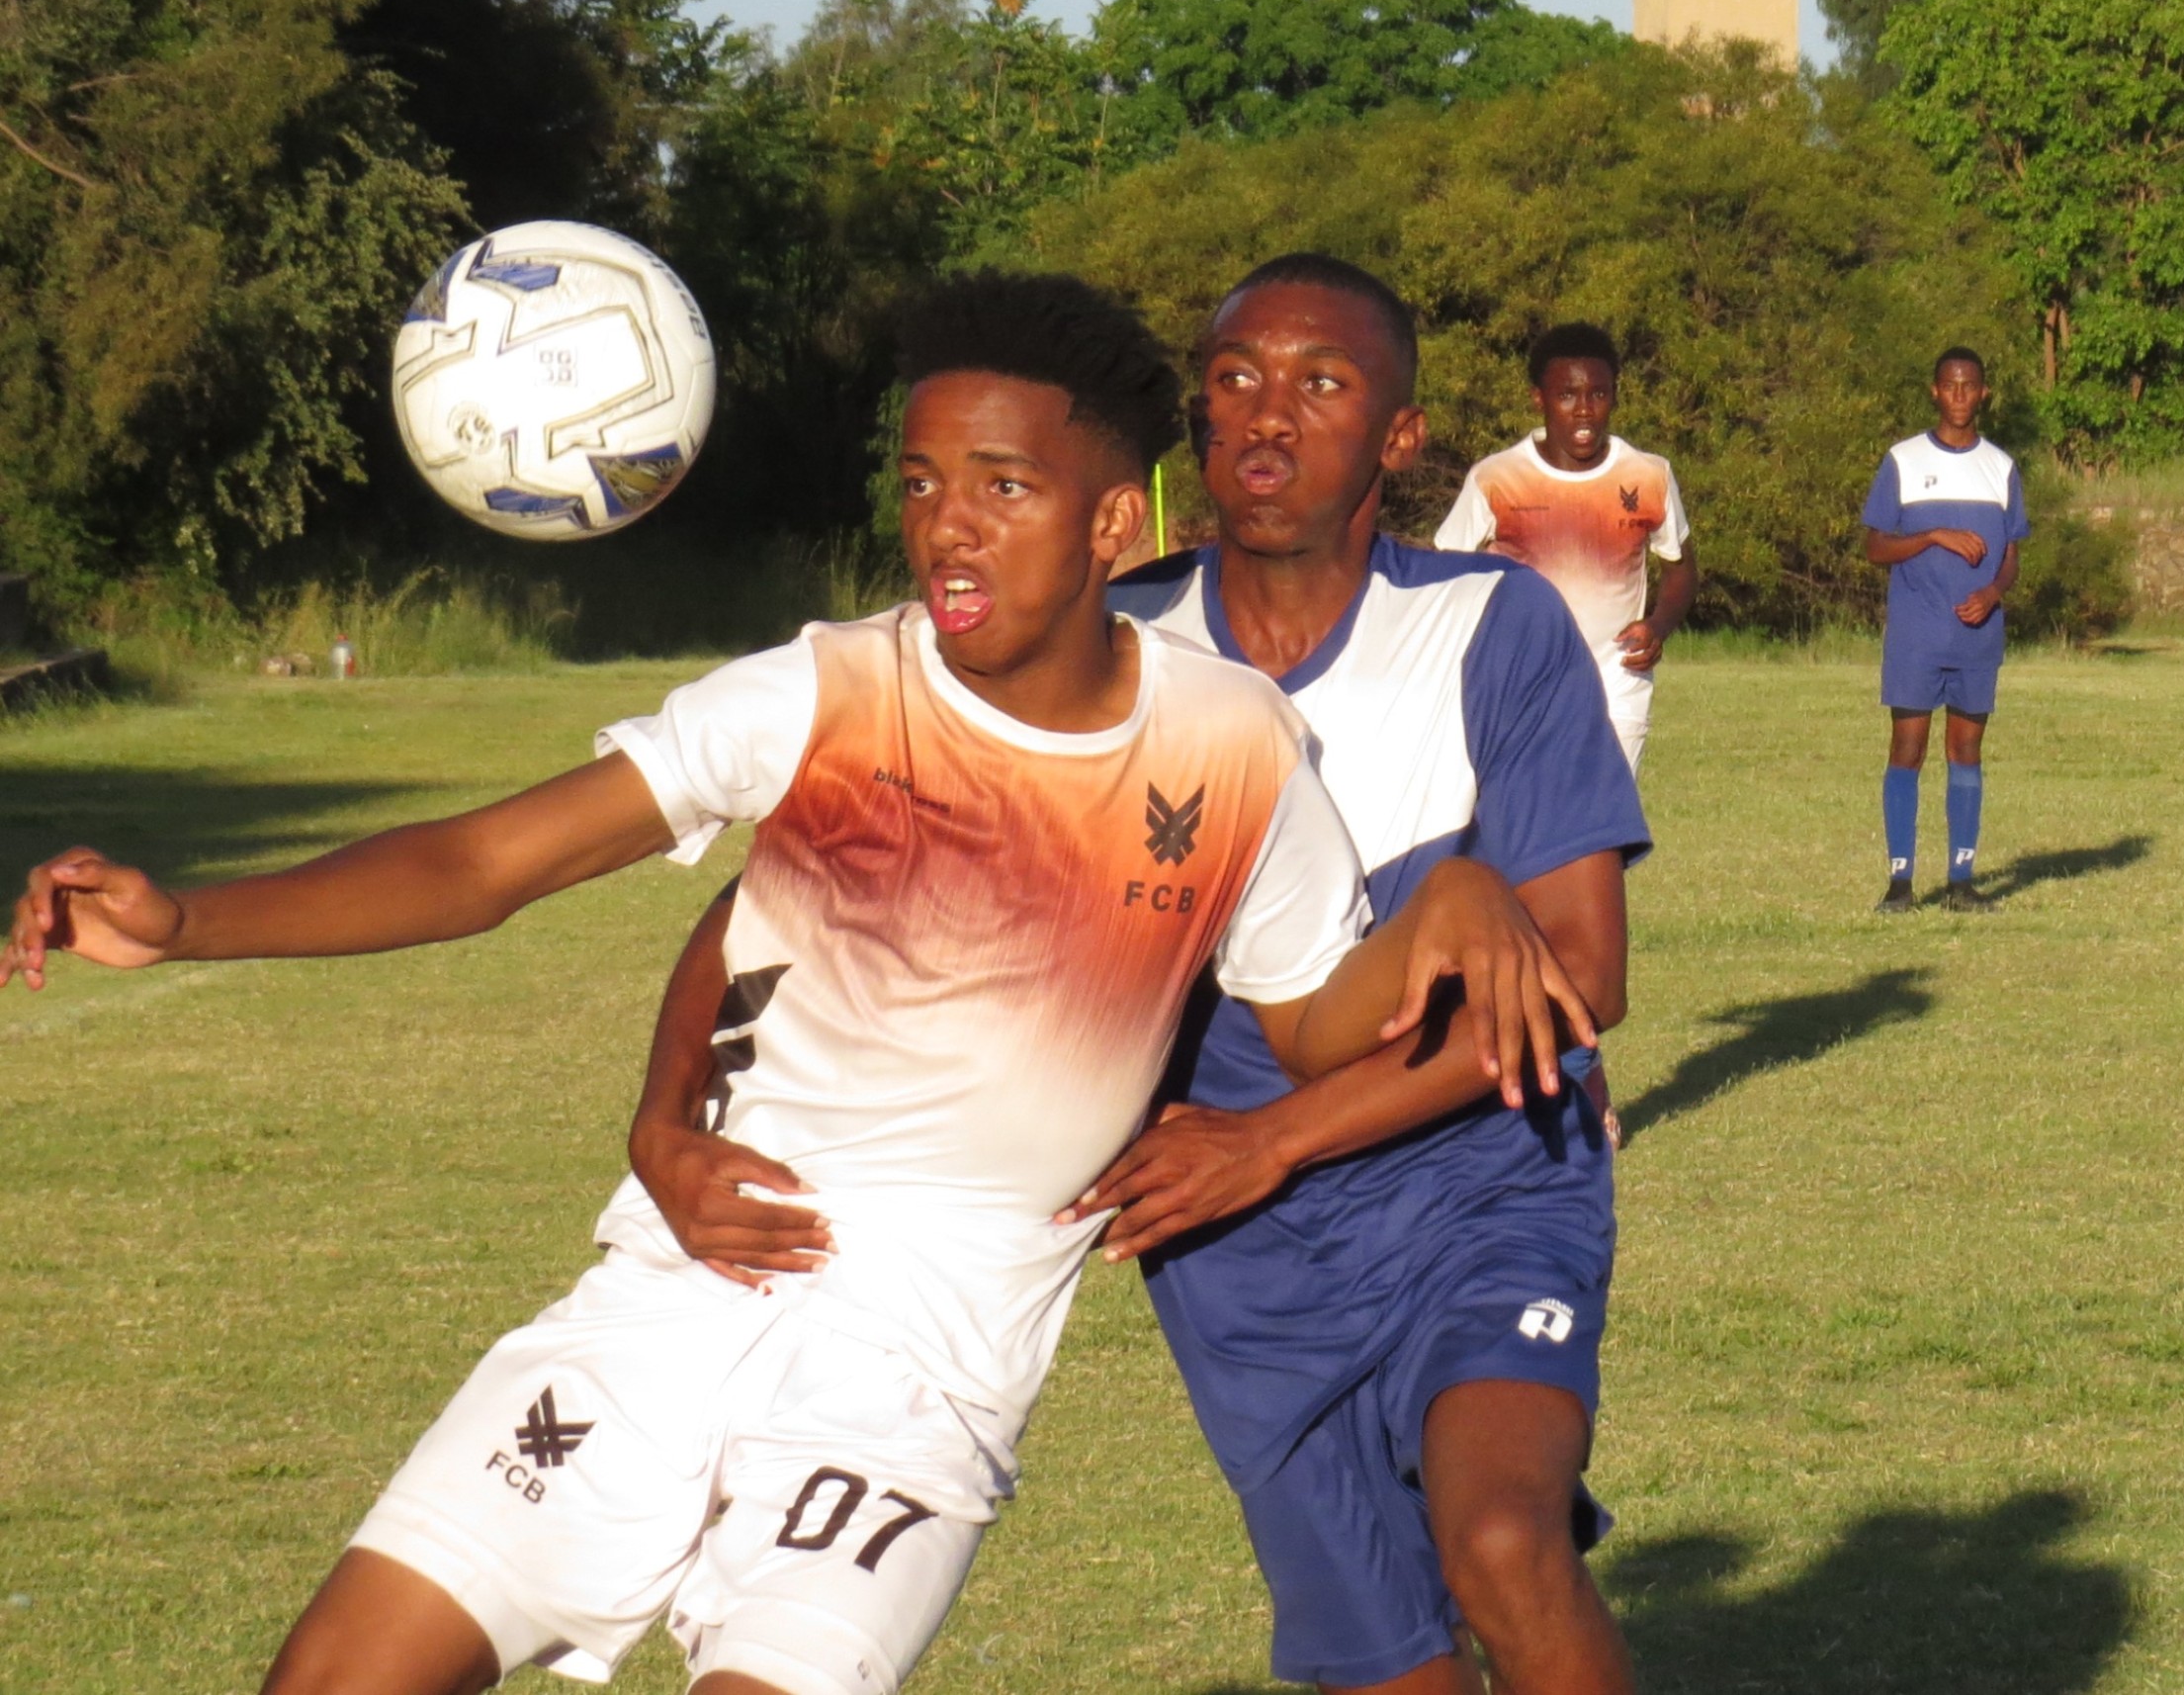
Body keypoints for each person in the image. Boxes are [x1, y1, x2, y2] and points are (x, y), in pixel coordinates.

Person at [3, 272, 1589, 1695]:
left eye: (1003, 486)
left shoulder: (1234, 746)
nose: (948, 525)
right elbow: (491, 865)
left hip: (920, 1378)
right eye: (921, 483)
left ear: (1112, 524)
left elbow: (1307, 1014)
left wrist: (1450, 894)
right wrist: (190, 922)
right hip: (678, 1294)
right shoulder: (825, 692)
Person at [636, 255, 1647, 1695]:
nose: (1268, 420)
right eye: (1235, 380)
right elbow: (787, 887)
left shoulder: (1493, 625)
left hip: (1476, 1172)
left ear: (1402, 440)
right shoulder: (1104, 648)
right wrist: (666, 1112)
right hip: (1232, 1248)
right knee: (1394, 1665)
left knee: (1502, 1543)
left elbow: (1583, 977)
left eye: (1323, 384)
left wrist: (1274, 1136)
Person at [1433, 322, 1695, 772]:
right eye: (1567, 396)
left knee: (1605, 830)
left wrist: (1659, 626)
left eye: (1598, 394)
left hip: (1618, 683)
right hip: (1519, 685)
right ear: (1539, 398)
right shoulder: (1496, 478)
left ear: (1615, 394)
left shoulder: (1648, 474)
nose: (1585, 411)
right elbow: (1442, 573)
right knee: (1525, 828)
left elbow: (1681, 567)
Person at [1864, 345, 2028, 914]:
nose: (1960, 396)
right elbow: (1874, 546)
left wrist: (1993, 592)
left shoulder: (2001, 467)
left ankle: (1962, 881)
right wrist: (1933, 535)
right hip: (1916, 637)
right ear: (1935, 392)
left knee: (1966, 751)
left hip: (1976, 639)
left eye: (1970, 386)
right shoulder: (1903, 461)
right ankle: (1900, 883)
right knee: (1907, 748)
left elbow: (2010, 553)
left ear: (1984, 393)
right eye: (1950, 386)